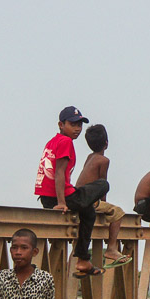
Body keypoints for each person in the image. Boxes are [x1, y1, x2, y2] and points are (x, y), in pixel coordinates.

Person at [35, 106, 109, 278]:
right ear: (61, 124)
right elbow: (59, 172)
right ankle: (82, 258)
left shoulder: (53, 141)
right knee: (103, 185)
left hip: (47, 196)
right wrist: (61, 202)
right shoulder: (65, 142)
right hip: (60, 197)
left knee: (88, 213)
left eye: (79, 125)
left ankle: (83, 260)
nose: (77, 129)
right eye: (73, 124)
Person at [75, 124, 131, 269]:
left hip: (78, 196)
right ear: (106, 143)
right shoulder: (104, 160)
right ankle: (111, 248)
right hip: (90, 200)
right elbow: (102, 183)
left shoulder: (90, 157)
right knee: (118, 212)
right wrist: (104, 204)